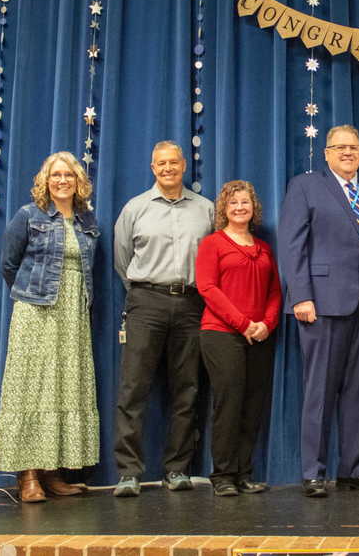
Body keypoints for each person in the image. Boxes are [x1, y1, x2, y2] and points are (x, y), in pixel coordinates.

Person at [278, 124, 359, 498]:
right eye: (340, 147)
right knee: (320, 391)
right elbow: (292, 245)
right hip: (322, 304)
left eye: (354, 147)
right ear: (326, 152)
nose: (348, 152)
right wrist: (300, 296)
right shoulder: (305, 186)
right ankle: (313, 472)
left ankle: (354, 470)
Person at [112, 141, 214, 497]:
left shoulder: (205, 209)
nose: (168, 168)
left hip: (191, 303)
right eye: (161, 163)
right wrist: (144, 291)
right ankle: (128, 472)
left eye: (173, 162)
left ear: (184, 165)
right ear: (152, 168)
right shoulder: (135, 208)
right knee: (133, 388)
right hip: (146, 302)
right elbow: (122, 259)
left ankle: (177, 469)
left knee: (187, 389)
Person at [0, 151, 100, 502]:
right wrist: (31, 296)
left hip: (73, 313)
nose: (62, 181)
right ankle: (27, 475)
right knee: (32, 387)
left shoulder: (86, 220)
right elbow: (9, 264)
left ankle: (52, 471)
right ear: (46, 180)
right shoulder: (29, 215)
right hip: (37, 311)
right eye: (56, 175)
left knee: (63, 387)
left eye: (69, 175)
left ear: (78, 182)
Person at [195, 180, 281, 497]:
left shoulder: (265, 248)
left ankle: (244, 473)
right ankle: (223, 475)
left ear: (253, 207)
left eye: (245, 202)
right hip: (221, 334)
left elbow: (275, 292)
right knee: (229, 403)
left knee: (252, 405)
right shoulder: (212, 244)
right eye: (233, 203)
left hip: (259, 336)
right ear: (224, 209)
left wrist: (267, 324)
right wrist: (243, 323)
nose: (240, 207)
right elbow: (207, 288)